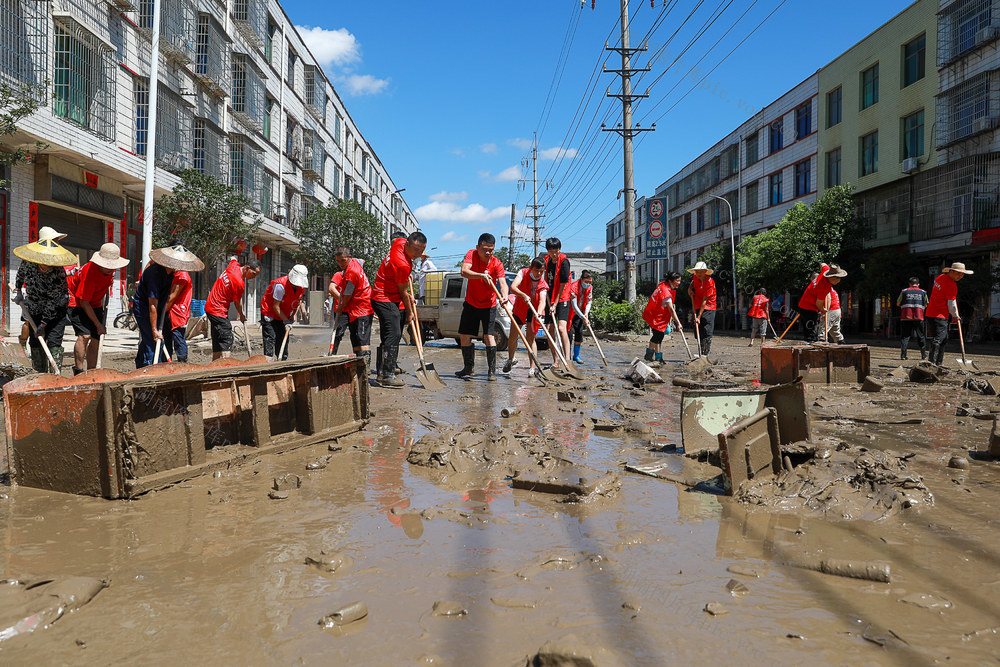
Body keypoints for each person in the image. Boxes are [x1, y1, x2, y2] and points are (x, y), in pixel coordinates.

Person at [13, 231, 77, 373]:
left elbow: (53, 301)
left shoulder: (58, 272)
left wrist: (42, 325)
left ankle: (55, 376)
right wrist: (18, 290)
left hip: (56, 310)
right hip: (34, 307)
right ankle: (39, 375)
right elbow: (21, 274)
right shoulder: (29, 261)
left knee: (54, 342)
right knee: (35, 342)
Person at [133, 245, 204, 368]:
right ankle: (150, 369)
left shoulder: (171, 273)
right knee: (152, 340)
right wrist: (155, 330)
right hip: (144, 308)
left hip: (158, 307)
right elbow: (152, 305)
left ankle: (141, 365)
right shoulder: (154, 274)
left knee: (151, 340)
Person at [372, 231, 427, 388]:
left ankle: (382, 371)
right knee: (394, 333)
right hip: (384, 297)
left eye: (421, 251)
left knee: (388, 334)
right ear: (407, 244)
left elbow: (401, 288)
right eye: (415, 250)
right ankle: (387, 375)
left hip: (385, 295)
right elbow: (403, 292)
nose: (418, 254)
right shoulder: (402, 263)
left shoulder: (399, 242)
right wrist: (410, 312)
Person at [69, 243, 129, 374]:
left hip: (95, 302)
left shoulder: (111, 270)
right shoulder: (89, 274)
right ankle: (78, 371)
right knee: (85, 335)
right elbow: (84, 302)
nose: (111, 268)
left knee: (97, 338)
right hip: (77, 301)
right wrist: (98, 324)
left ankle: (92, 371)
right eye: (107, 265)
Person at [456, 233, 508, 381]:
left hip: (488, 304)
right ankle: (468, 368)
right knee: (464, 335)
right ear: (478, 247)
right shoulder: (471, 255)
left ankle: (491, 372)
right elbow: (464, 271)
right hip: (471, 302)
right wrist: (481, 275)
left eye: (491, 250)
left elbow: (503, 283)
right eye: (485, 249)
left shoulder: (497, 263)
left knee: (489, 336)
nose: (488, 253)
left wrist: (504, 296)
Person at [204, 257, 261, 360]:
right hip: (218, 310)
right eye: (253, 274)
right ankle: (226, 363)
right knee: (227, 338)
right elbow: (237, 303)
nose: (254, 277)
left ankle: (214, 363)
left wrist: (233, 258)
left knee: (218, 337)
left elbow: (233, 258)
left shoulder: (234, 265)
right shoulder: (239, 283)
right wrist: (242, 315)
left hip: (210, 306)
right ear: (247, 268)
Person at [504, 257, 548, 380]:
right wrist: (523, 295)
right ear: (531, 268)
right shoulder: (523, 272)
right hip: (520, 308)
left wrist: (539, 312)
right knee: (513, 336)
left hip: (533, 311)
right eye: (536, 270)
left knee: (531, 339)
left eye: (541, 271)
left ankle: (532, 368)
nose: (539, 273)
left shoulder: (543, 283)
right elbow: (513, 287)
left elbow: (542, 301)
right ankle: (511, 359)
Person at [331, 246, 374, 369]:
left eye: (343, 260)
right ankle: (358, 365)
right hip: (354, 308)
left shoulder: (352, 272)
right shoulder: (356, 261)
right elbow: (362, 261)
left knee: (362, 338)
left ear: (349, 257)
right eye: (338, 261)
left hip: (363, 306)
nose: (340, 264)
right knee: (354, 336)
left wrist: (341, 307)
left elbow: (348, 295)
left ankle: (365, 369)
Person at [926, 262, 972, 366]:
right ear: (951, 272)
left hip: (932, 313)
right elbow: (951, 304)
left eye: (962, 274)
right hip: (939, 315)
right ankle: (932, 363)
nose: (960, 276)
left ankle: (938, 363)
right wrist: (955, 316)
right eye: (958, 273)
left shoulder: (940, 278)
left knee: (943, 338)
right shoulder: (951, 285)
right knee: (939, 339)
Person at [260, 264, 308, 361]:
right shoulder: (280, 285)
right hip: (270, 312)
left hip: (283, 314)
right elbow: (275, 306)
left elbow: (298, 301)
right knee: (270, 337)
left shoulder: (301, 287)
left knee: (282, 338)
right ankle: (268, 360)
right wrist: (286, 320)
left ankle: (282, 360)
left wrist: (293, 315)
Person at [797, 263, 846, 343]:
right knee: (819, 331)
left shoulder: (826, 271)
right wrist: (824, 311)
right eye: (837, 278)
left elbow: (822, 264)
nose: (838, 280)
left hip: (830, 308)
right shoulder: (823, 286)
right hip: (809, 307)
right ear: (831, 277)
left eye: (839, 278)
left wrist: (824, 311)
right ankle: (817, 345)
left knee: (831, 330)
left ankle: (841, 345)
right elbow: (819, 303)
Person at [543, 237, 572, 368]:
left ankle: (567, 360)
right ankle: (555, 360)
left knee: (561, 328)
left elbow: (562, 285)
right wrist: (548, 299)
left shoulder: (564, 262)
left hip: (562, 297)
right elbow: (544, 280)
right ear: (548, 251)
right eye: (551, 251)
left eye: (556, 251)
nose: (554, 254)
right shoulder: (546, 261)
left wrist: (555, 304)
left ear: (559, 249)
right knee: (549, 330)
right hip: (549, 298)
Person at [643, 272, 683, 362]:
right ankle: (652, 355)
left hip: (656, 315)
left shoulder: (663, 285)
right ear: (670, 281)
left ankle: (655, 356)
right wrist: (678, 323)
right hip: (656, 317)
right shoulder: (666, 292)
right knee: (658, 336)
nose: (679, 283)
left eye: (680, 280)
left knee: (658, 336)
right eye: (677, 281)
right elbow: (671, 309)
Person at [687, 261, 717, 356]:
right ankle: (700, 352)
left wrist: (699, 317)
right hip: (697, 304)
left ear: (705, 272)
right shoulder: (695, 277)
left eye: (701, 271)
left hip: (709, 306)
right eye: (697, 271)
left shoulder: (710, 282)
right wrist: (690, 288)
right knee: (697, 329)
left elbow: (705, 300)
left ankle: (705, 354)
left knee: (706, 330)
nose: (698, 273)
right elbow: (693, 282)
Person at [165, 268, 193, 363]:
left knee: (178, 338)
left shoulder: (182, 277)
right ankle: (167, 362)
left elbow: (172, 297)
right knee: (168, 338)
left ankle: (182, 363)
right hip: (173, 311)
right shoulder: (177, 274)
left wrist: (162, 311)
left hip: (178, 312)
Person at [897, 277, 928, 360]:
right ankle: (923, 354)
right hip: (919, 317)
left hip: (906, 317)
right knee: (921, 336)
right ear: (918, 284)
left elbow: (898, 303)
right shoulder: (923, 292)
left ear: (909, 284)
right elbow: (926, 304)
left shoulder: (904, 291)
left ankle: (903, 355)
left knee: (905, 336)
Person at [567, 270, 594, 363]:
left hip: (580, 313)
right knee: (569, 335)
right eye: (586, 282)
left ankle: (576, 356)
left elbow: (589, 301)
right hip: (570, 313)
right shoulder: (573, 287)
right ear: (581, 279)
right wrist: (583, 317)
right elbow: (574, 305)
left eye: (590, 282)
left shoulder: (590, 288)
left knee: (579, 332)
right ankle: (567, 357)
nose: (588, 284)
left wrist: (586, 313)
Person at [327, 270, 349, 354]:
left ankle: (359, 355)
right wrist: (344, 300)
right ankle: (332, 353)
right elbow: (331, 288)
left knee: (357, 333)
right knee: (338, 332)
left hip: (354, 310)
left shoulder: (357, 276)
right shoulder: (339, 275)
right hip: (340, 310)